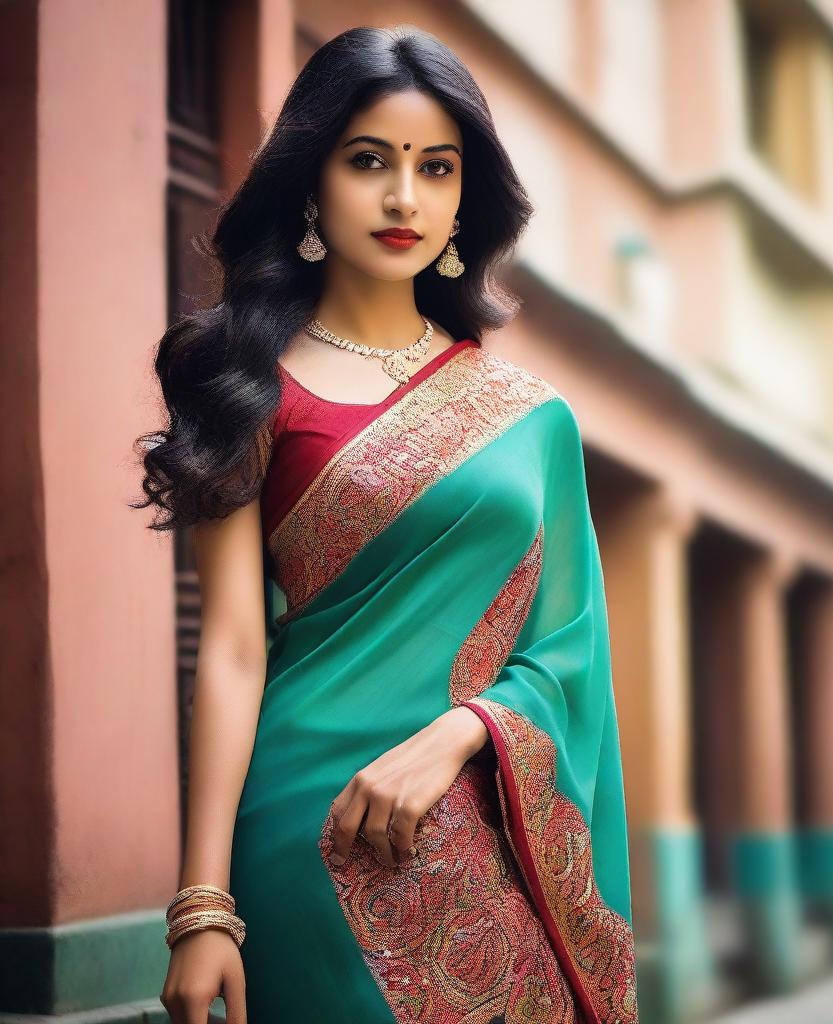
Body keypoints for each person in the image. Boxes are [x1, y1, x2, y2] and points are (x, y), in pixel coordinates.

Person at [133, 24, 637, 1024]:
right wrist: (201, 906)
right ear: (311, 183)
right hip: (302, 834)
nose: (404, 197)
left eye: (434, 168)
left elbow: (570, 652)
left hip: (482, 817)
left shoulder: (532, 417)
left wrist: (458, 733)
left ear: (462, 197)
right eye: (369, 161)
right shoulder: (241, 382)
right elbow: (233, 649)